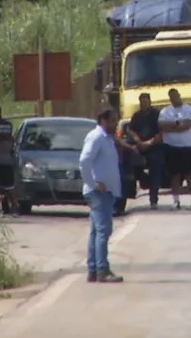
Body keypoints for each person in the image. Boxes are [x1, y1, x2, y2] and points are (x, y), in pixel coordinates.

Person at [79, 108, 124, 283]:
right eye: (113, 121)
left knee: (96, 232)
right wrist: (93, 183)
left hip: (105, 192)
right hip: (99, 193)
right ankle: (102, 270)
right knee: (103, 231)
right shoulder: (97, 137)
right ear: (104, 121)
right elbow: (84, 161)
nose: (115, 124)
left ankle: (93, 269)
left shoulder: (107, 138)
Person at [158, 88, 191, 210]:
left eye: (175, 96)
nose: (173, 98)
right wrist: (177, 124)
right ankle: (176, 201)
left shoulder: (189, 109)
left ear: (179, 95)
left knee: (189, 175)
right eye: (171, 96)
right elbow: (161, 125)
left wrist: (171, 126)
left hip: (186, 146)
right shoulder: (165, 111)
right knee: (174, 175)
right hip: (171, 146)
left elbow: (187, 125)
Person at [128, 93, 164, 209]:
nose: (143, 102)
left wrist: (149, 143)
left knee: (156, 169)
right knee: (131, 166)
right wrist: (138, 140)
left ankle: (153, 199)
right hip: (139, 146)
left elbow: (162, 132)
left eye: (145, 100)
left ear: (149, 101)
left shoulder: (157, 114)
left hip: (154, 145)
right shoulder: (136, 115)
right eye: (141, 100)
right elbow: (131, 130)